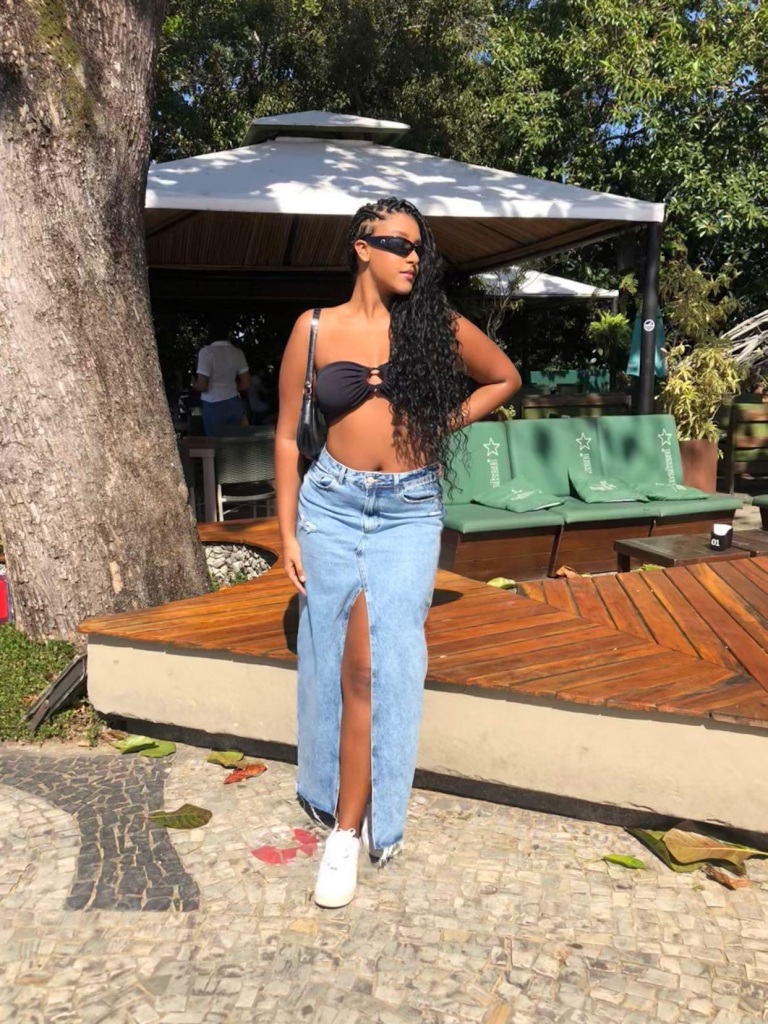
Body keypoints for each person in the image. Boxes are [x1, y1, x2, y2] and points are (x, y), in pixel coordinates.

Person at [275, 197, 521, 908]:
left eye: (420, 248)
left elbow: (504, 377)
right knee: (332, 657)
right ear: (362, 247)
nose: (414, 258)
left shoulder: (438, 327)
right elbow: (287, 437)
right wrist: (287, 532)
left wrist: (445, 421)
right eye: (399, 244)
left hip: (409, 512)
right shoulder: (314, 329)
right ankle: (333, 801)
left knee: (380, 663)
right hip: (330, 507)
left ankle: (350, 829)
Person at [193, 318, 251, 435]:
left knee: (215, 443)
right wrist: (230, 387)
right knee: (233, 443)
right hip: (234, 402)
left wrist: (193, 383)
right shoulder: (237, 352)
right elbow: (246, 383)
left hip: (213, 404)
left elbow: (203, 386)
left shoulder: (206, 352)